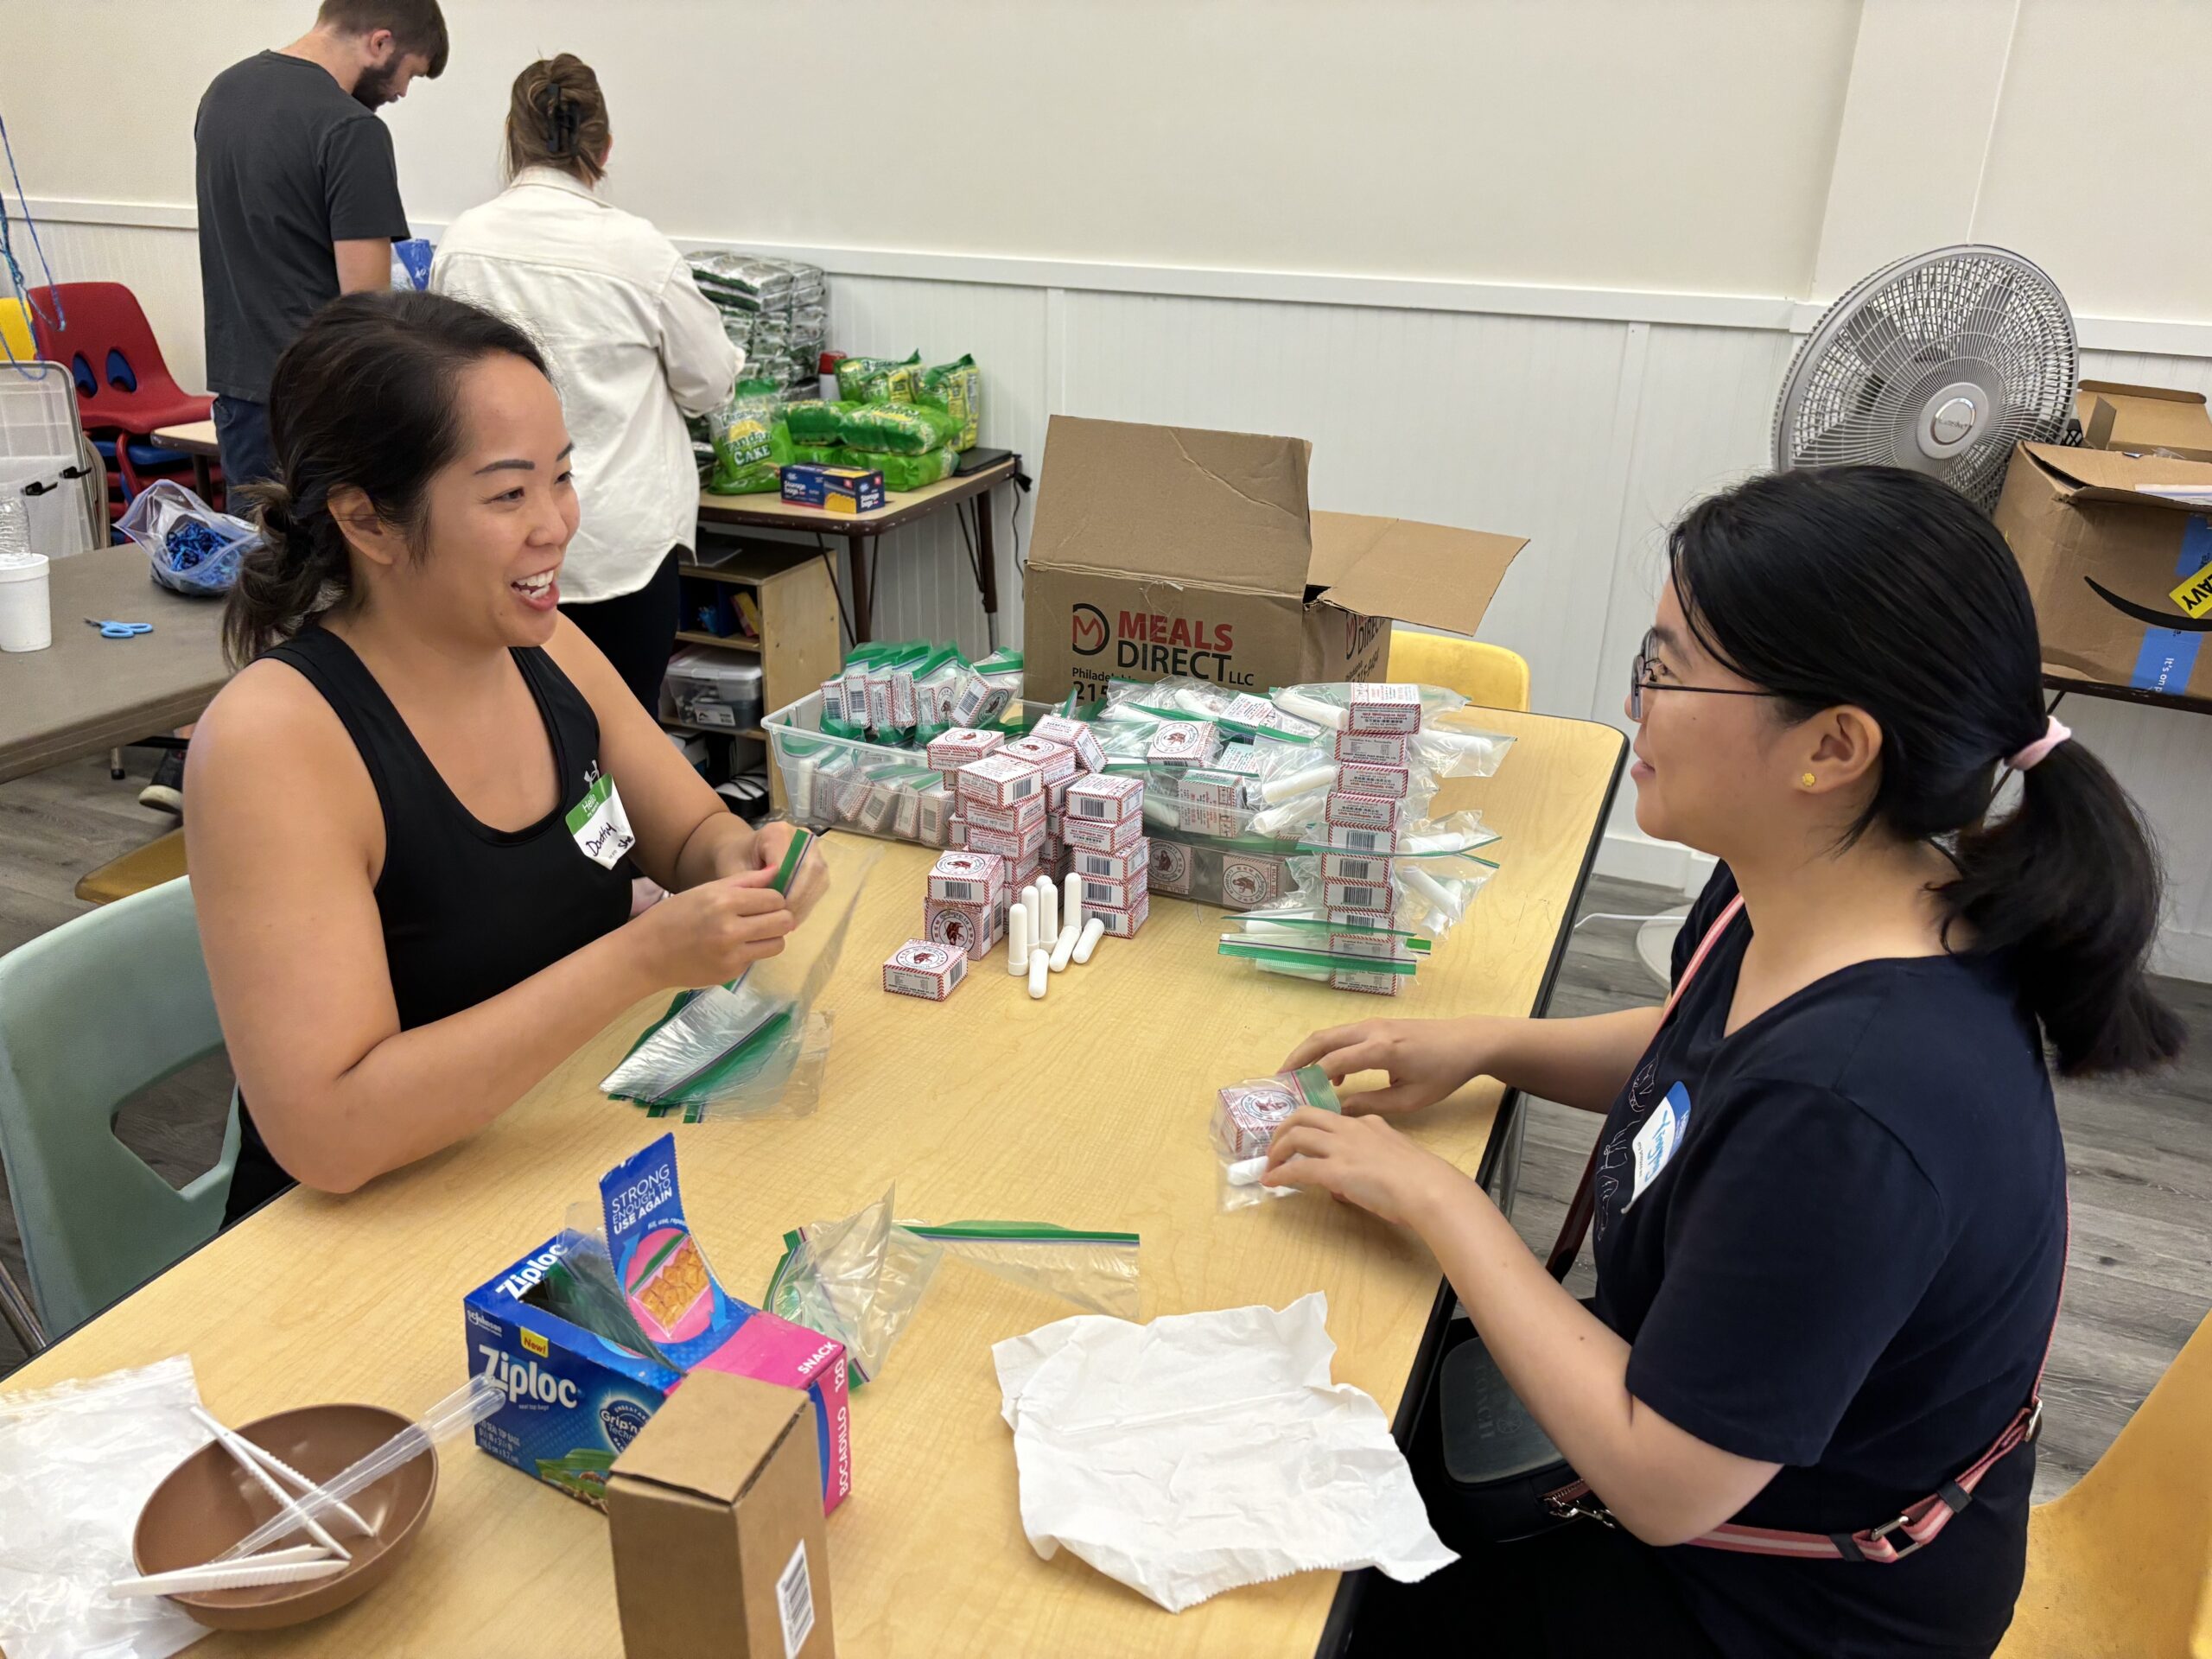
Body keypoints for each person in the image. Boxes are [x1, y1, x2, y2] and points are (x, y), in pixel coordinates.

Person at [1273, 467, 2185, 1658]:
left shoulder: (1855, 1107)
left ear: (1832, 748)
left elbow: (1662, 1483)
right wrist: (1487, 1043)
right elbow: (1700, 1047)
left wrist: (1443, 1200)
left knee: (1317, 1597)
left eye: (1667, 669)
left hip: (1778, 1603)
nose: (1637, 701)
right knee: (1355, 1411)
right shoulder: (1817, 884)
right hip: (1708, 1434)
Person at [184, 290, 822, 1225]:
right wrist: (639, 959)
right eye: (507, 494)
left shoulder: (547, 649)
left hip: (548, 1162)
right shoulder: (276, 742)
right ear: (369, 523)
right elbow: (327, 1134)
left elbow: (688, 833)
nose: (556, 524)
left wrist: (742, 864)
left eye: (561, 477)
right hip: (369, 1237)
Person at [168, 1, 448, 816]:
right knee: (339, 602)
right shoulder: (352, 131)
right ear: (381, 41)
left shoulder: (223, 95)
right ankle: (331, 796)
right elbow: (366, 312)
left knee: (264, 590)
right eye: (407, 77)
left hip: (241, 395)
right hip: (320, 404)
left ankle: (212, 768)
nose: (399, 95)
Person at [429, 54, 741, 712]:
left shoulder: (463, 244)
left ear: (512, 139)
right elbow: (712, 383)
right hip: (621, 546)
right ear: (604, 147)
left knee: (519, 738)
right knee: (624, 743)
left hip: (501, 540)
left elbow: (441, 386)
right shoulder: (636, 249)